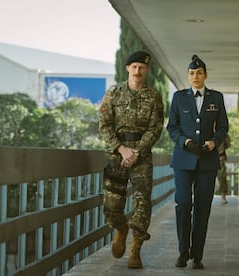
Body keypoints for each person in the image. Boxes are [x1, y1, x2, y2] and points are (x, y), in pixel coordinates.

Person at [98, 50, 164, 269]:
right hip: (117, 155)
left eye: (142, 67)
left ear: (146, 70)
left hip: (141, 157)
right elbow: (104, 125)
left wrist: (137, 151)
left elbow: (156, 128)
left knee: (142, 204)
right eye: (134, 67)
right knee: (111, 205)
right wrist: (122, 149)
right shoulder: (113, 93)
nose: (137, 71)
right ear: (127, 68)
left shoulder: (153, 96)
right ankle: (121, 229)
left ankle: (135, 250)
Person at [166, 54, 229, 269]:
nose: (195, 76)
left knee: (203, 208)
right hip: (183, 160)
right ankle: (183, 252)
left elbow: (223, 127)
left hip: (207, 161)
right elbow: (171, 127)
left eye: (199, 73)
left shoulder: (216, 97)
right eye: (192, 73)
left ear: (205, 75)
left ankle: (197, 255)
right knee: (183, 204)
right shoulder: (179, 97)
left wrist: (213, 142)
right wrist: (185, 142)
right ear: (188, 76)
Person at [217, 134, 231, 204]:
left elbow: (228, 144)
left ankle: (223, 196)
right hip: (207, 157)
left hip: (220, 158)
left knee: (222, 177)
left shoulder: (222, 132)